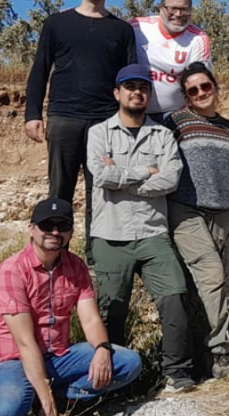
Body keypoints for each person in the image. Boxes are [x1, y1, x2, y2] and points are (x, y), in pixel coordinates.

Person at [0, 199, 144, 416]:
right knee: (7, 408)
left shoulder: (75, 266)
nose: (55, 232)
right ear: (31, 229)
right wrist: (48, 409)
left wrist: (102, 349)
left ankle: (61, 402)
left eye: (62, 226)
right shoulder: (11, 271)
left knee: (127, 362)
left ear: (71, 232)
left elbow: (90, 319)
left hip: (57, 356)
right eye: (47, 225)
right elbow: (25, 343)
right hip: (14, 360)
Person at [85, 65, 198, 391]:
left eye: (143, 87)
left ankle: (177, 372)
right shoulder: (99, 133)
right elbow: (100, 175)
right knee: (111, 309)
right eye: (129, 86)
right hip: (110, 233)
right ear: (117, 93)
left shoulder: (162, 135)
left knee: (175, 297)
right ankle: (117, 380)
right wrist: (146, 172)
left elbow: (170, 179)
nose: (137, 92)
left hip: (152, 232)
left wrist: (125, 177)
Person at [24, 0, 138, 245]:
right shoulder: (57, 23)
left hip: (105, 121)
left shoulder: (121, 30)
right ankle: (54, 250)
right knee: (60, 191)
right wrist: (32, 113)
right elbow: (40, 68)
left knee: (100, 189)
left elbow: (129, 78)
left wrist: (130, 119)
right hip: (64, 117)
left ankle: (94, 255)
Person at [163, 63, 229, 379]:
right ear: (186, 96)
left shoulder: (228, 126)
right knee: (211, 275)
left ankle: (196, 356)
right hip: (186, 210)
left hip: (221, 212)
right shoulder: (175, 122)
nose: (201, 93)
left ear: (215, 88)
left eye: (205, 86)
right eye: (193, 90)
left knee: (200, 286)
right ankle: (222, 353)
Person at [129, 0, 212, 117]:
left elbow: (201, 82)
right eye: (172, 9)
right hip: (136, 113)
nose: (178, 15)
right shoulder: (136, 27)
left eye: (184, 10)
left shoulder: (198, 39)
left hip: (176, 116)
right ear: (161, 9)